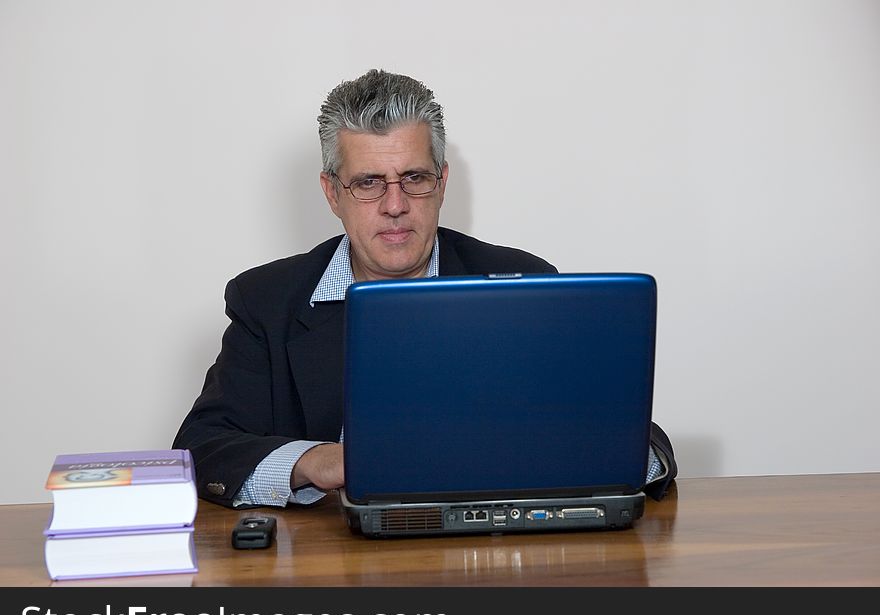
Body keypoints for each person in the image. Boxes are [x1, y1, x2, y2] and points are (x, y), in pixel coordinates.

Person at [173, 69, 677, 509]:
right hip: (331, 563)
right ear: (332, 192)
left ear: (441, 182)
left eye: (414, 177)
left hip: (496, 551)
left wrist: (588, 454)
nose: (395, 205)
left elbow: (636, 436)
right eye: (369, 182)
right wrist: (312, 461)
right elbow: (202, 446)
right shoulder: (267, 300)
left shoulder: (525, 282)